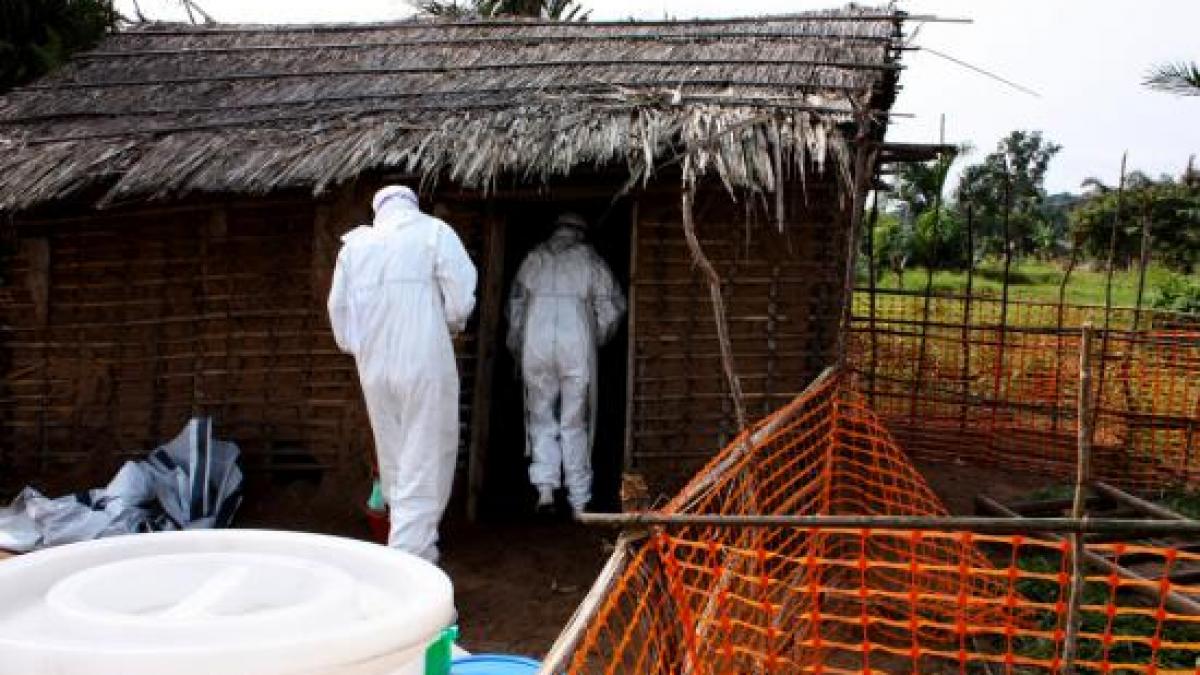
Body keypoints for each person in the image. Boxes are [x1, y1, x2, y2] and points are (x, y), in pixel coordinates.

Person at [328, 186, 477, 562]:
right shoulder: (433, 233)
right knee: (425, 456)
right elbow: (460, 296)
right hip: (423, 359)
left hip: (374, 367)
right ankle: (410, 560)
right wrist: (448, 324)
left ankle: (406, 543)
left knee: (394, 456)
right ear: (411, 205)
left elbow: (339, 313)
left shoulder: (353, 248)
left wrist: (359, 345)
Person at [507, 213, 626, 517]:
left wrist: (519, 344)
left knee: (540, 414)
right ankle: (578, 499)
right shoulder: (590, 261)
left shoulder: (534, 259)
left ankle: (545, 488)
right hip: (576, 345)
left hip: (537, 343)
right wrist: (595, 337)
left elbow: (516, 308)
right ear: (580, 232)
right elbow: (612, 306)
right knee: (575, 421)